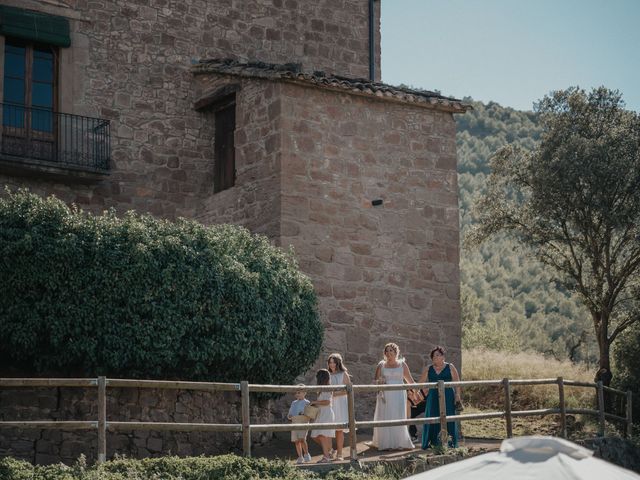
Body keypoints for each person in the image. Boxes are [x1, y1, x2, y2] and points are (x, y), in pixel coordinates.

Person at [371, 342, 415, 450]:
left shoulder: (402, 365)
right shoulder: (381, 365)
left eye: (391, 350)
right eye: (387, 351)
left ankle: (398, 442)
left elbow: (410, 381)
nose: (389, 353)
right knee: (385, 416)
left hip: (398, 395)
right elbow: (374, 381)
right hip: (385, 395)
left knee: (397, 416)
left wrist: (416, 392)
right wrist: (379, 382)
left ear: (396, 352)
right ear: (384, 353)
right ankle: (385, 443)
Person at [419, 346, 462, 449]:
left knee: (448, 417)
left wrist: (457, 396)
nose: (435, 357)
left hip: (448, 395)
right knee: (432, 416)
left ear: (443, 356)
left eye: (438, 355)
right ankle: (432, 442)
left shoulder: (450, 367)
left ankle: (449, 442)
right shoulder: (428, 369)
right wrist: (423, 391)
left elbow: (457, 383)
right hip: (433, 397)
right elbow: (420, 383)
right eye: (433, 356)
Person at [328, 353, 351, 461]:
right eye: (330, 362)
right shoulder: (327, 375)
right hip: (330, 404)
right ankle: (330, 450)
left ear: (338, 363)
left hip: (341, 403)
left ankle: (340, 454)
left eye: (334, 362)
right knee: (327, 429)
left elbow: (348, 390)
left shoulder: (343, 374)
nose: (332, 364)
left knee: (339, 430)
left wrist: (334, 394)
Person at [310, 369, 335, 463]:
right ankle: (330, 450)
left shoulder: (328, 388)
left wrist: (315, 402)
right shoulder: (321, 389)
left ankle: (326, 457)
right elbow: (322, 402)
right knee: (314, 436)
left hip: (327, 413)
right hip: (321, 413)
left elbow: (327, 402)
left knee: (322, 435)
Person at [287, 385, 312, 464]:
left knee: (302, 439)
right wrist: (290, 416)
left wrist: (304, 413)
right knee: (296, 441)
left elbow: (309, 414)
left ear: (304, 393)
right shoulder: (293, 403)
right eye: (296, 393)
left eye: (299, 392)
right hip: (294, 422)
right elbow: (290, 413)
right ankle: (300, 456)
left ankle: (306, 454)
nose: (297, 394)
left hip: (303, 422)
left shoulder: (307, 402)